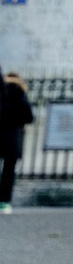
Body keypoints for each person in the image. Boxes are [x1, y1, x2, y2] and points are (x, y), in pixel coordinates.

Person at [0, 67, 31, 210]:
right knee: (8, 171)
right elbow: (29, 116)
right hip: (13, 136)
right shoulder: (20, 92)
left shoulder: (2, 90)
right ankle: (4, 201)